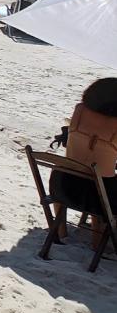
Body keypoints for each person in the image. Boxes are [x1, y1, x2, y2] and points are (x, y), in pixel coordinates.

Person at [50, 79, 117, 249]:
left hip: (62, 186)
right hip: (98, 196)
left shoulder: (79, 111)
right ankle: (97, 242)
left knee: (92, 177)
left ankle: (61, 231)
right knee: (103, 182)